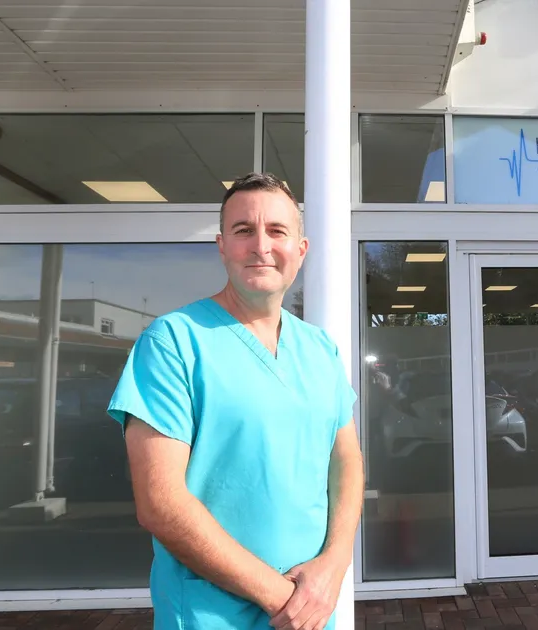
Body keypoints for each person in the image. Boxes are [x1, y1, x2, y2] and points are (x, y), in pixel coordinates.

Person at [106, 172, 364, 630]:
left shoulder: (319, 348)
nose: (261, 245)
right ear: (222, 246)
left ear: (301, 250)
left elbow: (345, 461)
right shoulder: (173, 343)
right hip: (217, 615)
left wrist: (334, 565)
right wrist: (282, 599)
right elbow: (160, 503)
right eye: (244, 230)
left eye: (277, 231)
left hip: (313, 611)